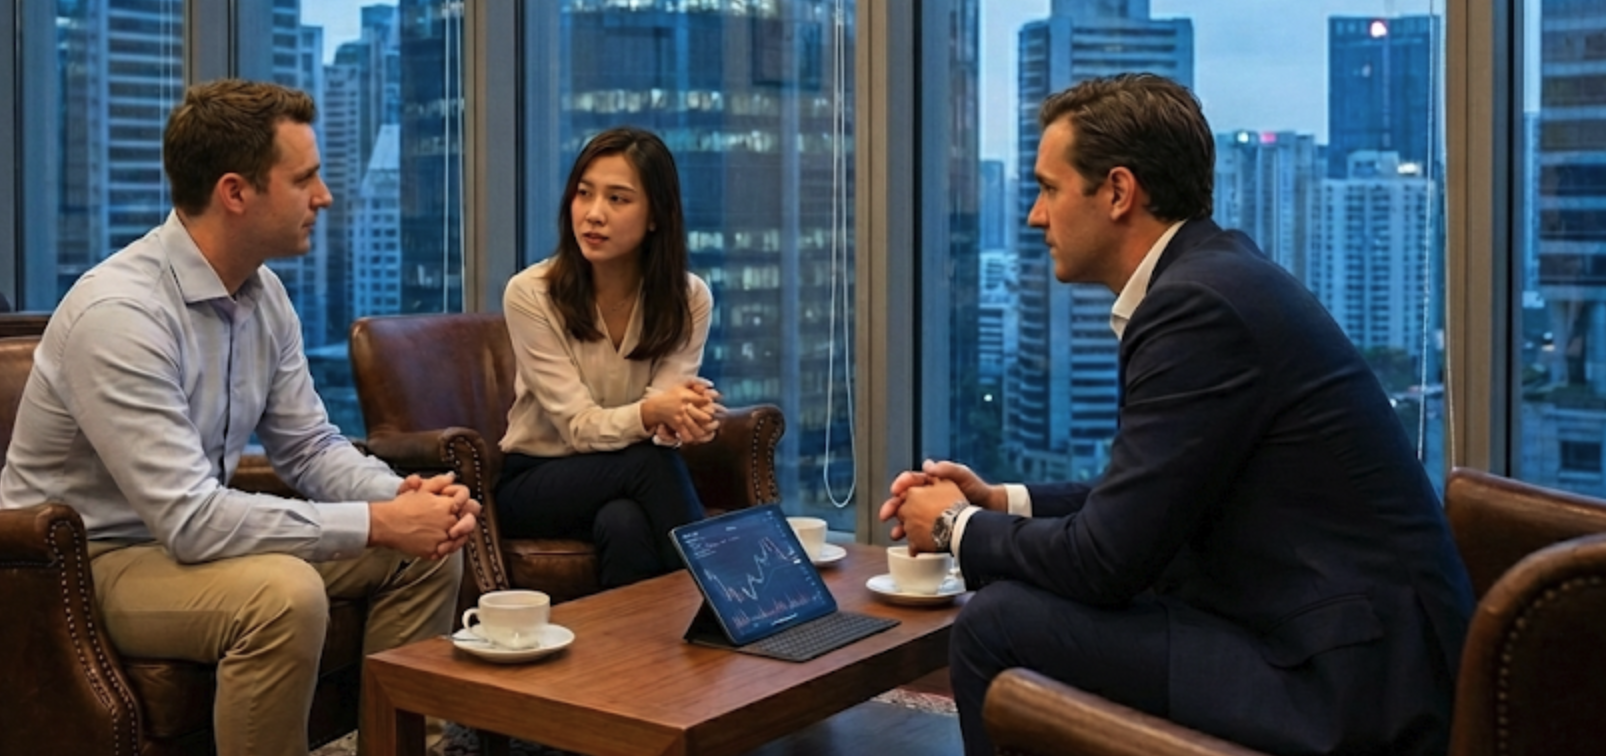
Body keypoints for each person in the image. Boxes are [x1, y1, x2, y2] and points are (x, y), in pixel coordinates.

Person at [880, 74, 1474, 756]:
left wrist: (956, 526)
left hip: (1347, 683)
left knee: (998, 624)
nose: (1034, 218)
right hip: (1333, 642)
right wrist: (1003, 502)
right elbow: (1147, 501)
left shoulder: (1196, 309)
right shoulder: (1212, 277)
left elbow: (1107, 561)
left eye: (1048, 189)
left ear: (1118, 192)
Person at [0, 79, 481, 756]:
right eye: (305, 179)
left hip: (179, 541)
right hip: (78, 565)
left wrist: (405, 500)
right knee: (283, 595)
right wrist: (379, 522)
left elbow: (310, 446)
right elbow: (192, 520)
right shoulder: (121, 315)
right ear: (235, 192)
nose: (325, 197)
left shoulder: (263, 293)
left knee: (425, 555)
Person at [497, 126, 720, 588]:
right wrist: (656, 413)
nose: (594, 214)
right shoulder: (531, 294)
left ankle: (631, 657)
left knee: (625, 523)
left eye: (618, 199)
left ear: (656, 214)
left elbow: (662, 428)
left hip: (629, 480)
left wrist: (686, 418)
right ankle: (732, 596)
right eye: (584, 194)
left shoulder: (689, 297)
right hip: (536, 481)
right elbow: (578, 427)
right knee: (648, 466)